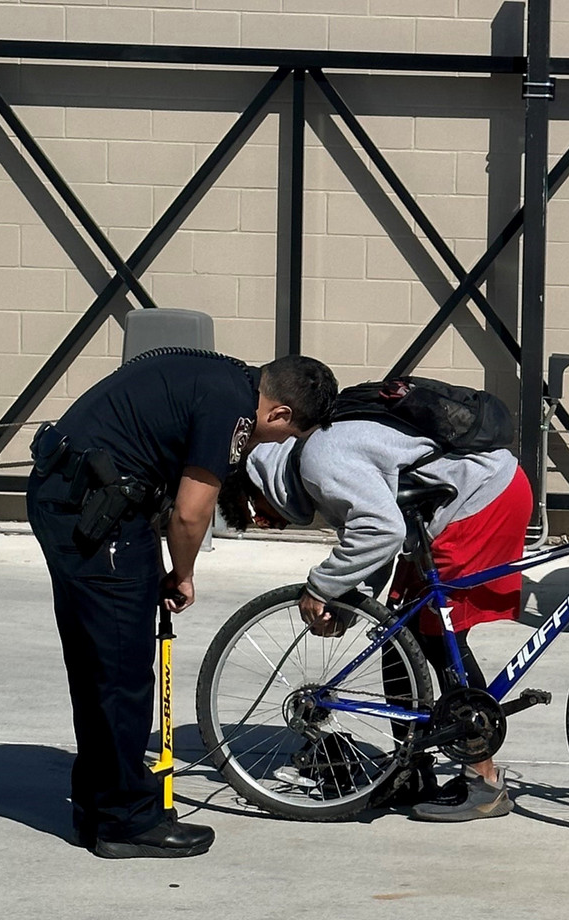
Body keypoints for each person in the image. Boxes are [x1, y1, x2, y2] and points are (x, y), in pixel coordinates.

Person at [27, 346, 298, 858]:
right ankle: (126, 819)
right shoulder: (233, 409)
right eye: (286, 434)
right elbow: (192, 514)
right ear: (279, 413)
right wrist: (184, 573)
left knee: (98, 664)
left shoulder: (225, 378)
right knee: (121, 671)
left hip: (76, 498)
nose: (276, 441)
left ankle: (100, 805)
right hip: (94, 514)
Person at [242, 356, 533, 822]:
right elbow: (374, 537)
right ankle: (409, 768)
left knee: (439, 639)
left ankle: (484, 780)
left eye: (253, 502)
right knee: (399, 637)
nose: (259, 518)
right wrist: (348, 598)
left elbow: (380, 532)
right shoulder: (324, 448)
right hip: (466, 500)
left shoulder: (318, 458)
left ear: (267, 483)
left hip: (481, 499)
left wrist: (321, 588)